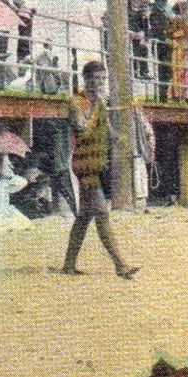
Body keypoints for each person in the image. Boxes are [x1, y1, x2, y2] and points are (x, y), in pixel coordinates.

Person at [58, 60, 139, 279]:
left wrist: (124, 139)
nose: (99, 83)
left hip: (98, 163)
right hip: (84, 165)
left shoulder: (99, 104)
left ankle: (68, 265)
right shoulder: (77, 102)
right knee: (102, 213)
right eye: (95, 78)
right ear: (85, 79)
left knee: (84, 216)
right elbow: (81, 129)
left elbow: (109, 132)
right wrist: (96, 107)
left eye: (102, 79)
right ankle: (120, 265)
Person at [166, 0, 188, 102]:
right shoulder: (174, 20)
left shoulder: (186, 22)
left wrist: (187, 28)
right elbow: (171, 33)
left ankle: (182, 95)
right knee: (177, 71)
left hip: (185, 49)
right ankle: (174, 94)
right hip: (178, 48)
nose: (186, 11)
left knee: (184, 72)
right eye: (184, 9)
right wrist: (184, 31)